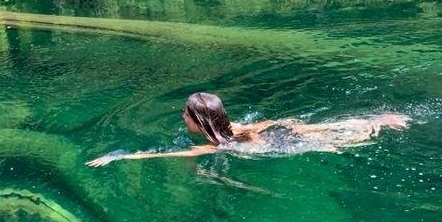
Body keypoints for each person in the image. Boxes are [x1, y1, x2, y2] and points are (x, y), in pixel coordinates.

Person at [86, 91, 409, 167]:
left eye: (185, 113)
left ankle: (374, 125)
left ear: (197, 122)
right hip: (275, 131)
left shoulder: (218, 146)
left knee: (328, 143)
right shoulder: (233, 126)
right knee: (320, 131)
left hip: (274, 145)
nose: (181, 116)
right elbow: (266, 124)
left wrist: (120, 157)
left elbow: (172, 152)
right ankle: (376, 121)